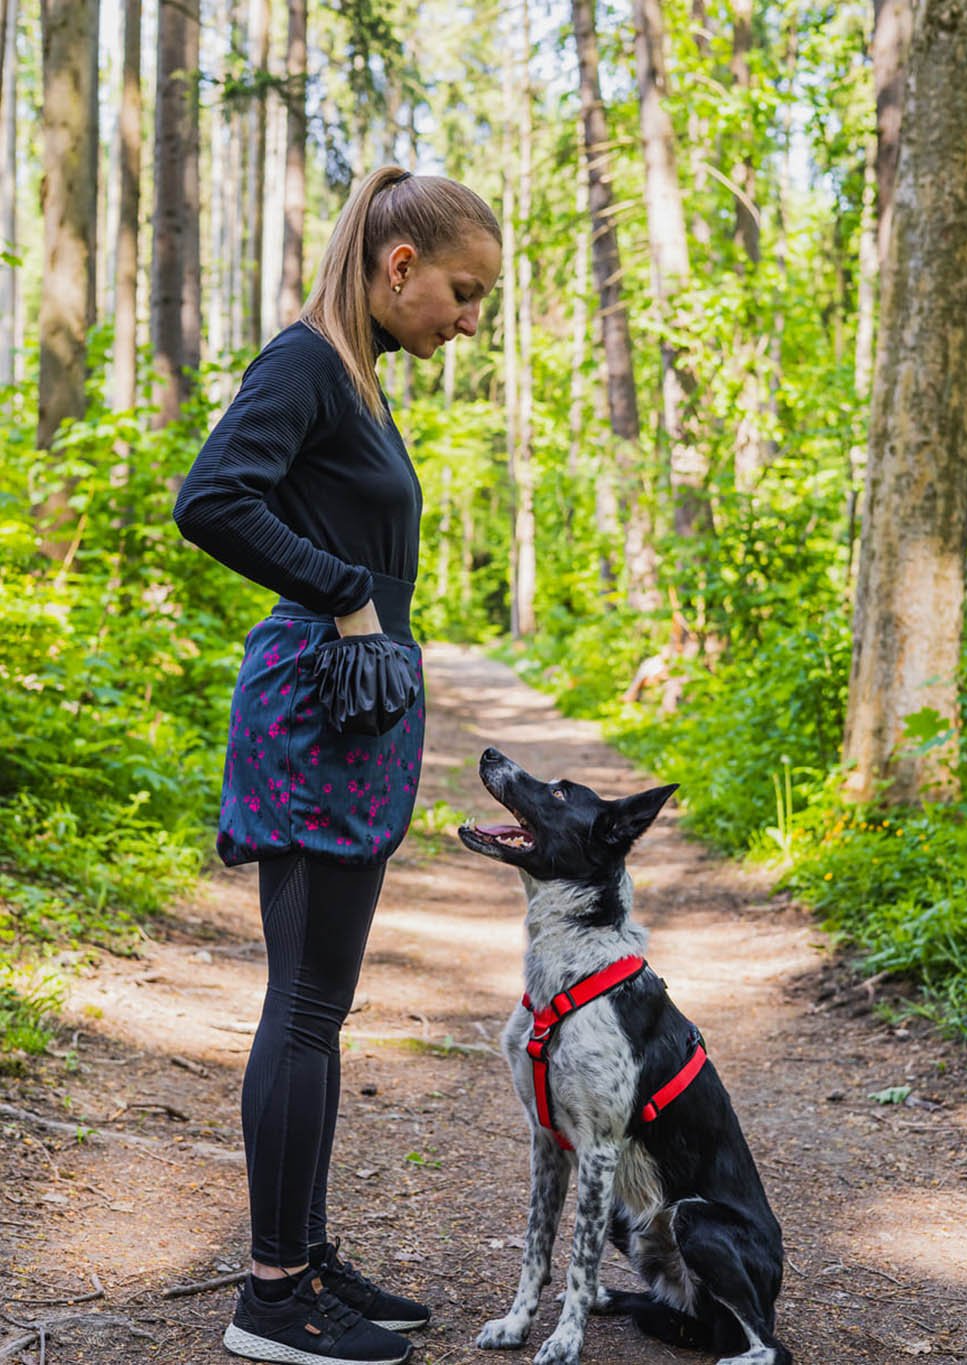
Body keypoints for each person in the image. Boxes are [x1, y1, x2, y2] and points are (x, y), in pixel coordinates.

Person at [174, 165, 502, 1365]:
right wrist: (342, 592)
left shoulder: (355, 378)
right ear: (398, 265)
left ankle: (301, 1255)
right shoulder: (309, 361)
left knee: (319, 1004)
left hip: (347, 711)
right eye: (463, 292)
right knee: (304, 1006)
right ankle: (270, 1299)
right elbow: (212, 498)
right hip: (318, 702)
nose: (472, 320)